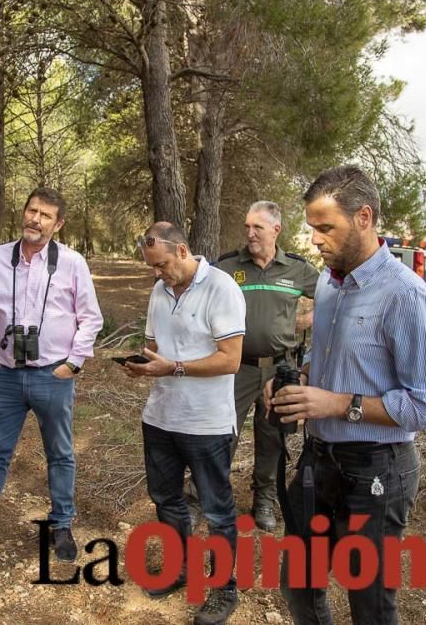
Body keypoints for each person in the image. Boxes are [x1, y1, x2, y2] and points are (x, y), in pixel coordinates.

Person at [267, 165, 426, 624]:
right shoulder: (330, 282)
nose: (316, 240)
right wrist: (300, 380)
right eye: (312, 228)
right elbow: (335, 361)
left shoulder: (405, 295)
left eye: (326, 227)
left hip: (378, 470)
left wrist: (335, 403)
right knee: (298, 582)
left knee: (368, 601)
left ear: (364, 218)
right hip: (320, 460)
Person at [0, 187, 103, 570]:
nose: (36, 219)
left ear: (58, 224)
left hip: (53, 376)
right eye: (32, 210)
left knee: (60, 455)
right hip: (5, 377)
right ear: (24, 212)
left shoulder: (72, 262)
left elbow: (90, 317)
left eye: (46, 215)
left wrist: (74, 363)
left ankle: (61, 524)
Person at [123, 222, 246, 625]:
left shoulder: (222, 287)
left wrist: (172, 367)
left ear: (181, 250)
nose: (156, 274)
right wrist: (141, 363)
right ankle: (180, 569)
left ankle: (224, 589)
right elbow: (155, 346)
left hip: (207, 423)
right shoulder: (159, 291)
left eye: (161, 265)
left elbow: (230, 359)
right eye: (151, 267)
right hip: (160, 417)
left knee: (217, 510)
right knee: (167, 499)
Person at [214, 201, 317, 531]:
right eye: (247, 226)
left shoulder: (297, 269)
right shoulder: (230, 266)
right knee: (221, 432)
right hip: (237, 367)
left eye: (257, 227)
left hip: (280, 369)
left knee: (272, 437)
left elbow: (334, 297)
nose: (250, 233)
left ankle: (264, 499)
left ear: (276, 230)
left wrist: (305, 320)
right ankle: (212, 494)